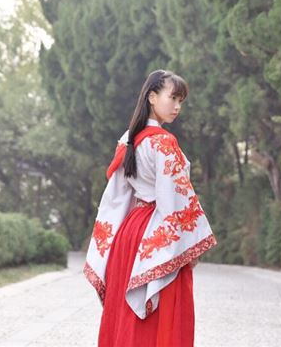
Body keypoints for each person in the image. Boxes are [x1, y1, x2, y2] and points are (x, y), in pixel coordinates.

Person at [83, 69, 217, 347]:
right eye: (173, 98)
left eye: (181, 101)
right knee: (160, 319)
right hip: (156, 231)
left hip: (130, 232)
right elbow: (174, 198)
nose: (177, 106)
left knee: (126, 317)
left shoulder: (129, 139)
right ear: (152, 97)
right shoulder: (163, 142)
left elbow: (117, 195)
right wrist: (188, 245)